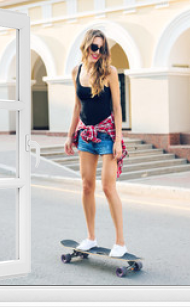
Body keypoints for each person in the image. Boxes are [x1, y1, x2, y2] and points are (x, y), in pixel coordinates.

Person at [64, 29, 128, 258]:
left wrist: (118, 141)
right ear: (86, 46)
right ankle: (91, 238)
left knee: (108, 187)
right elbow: (76, 106)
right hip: (85, 136)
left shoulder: (109, 72)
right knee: (86, 186)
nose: (97, 52)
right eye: (94, 47)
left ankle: (120, 242)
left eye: (101, 48)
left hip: (107, 135)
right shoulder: (76, 71)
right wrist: (69, 135)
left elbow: (118, 109)